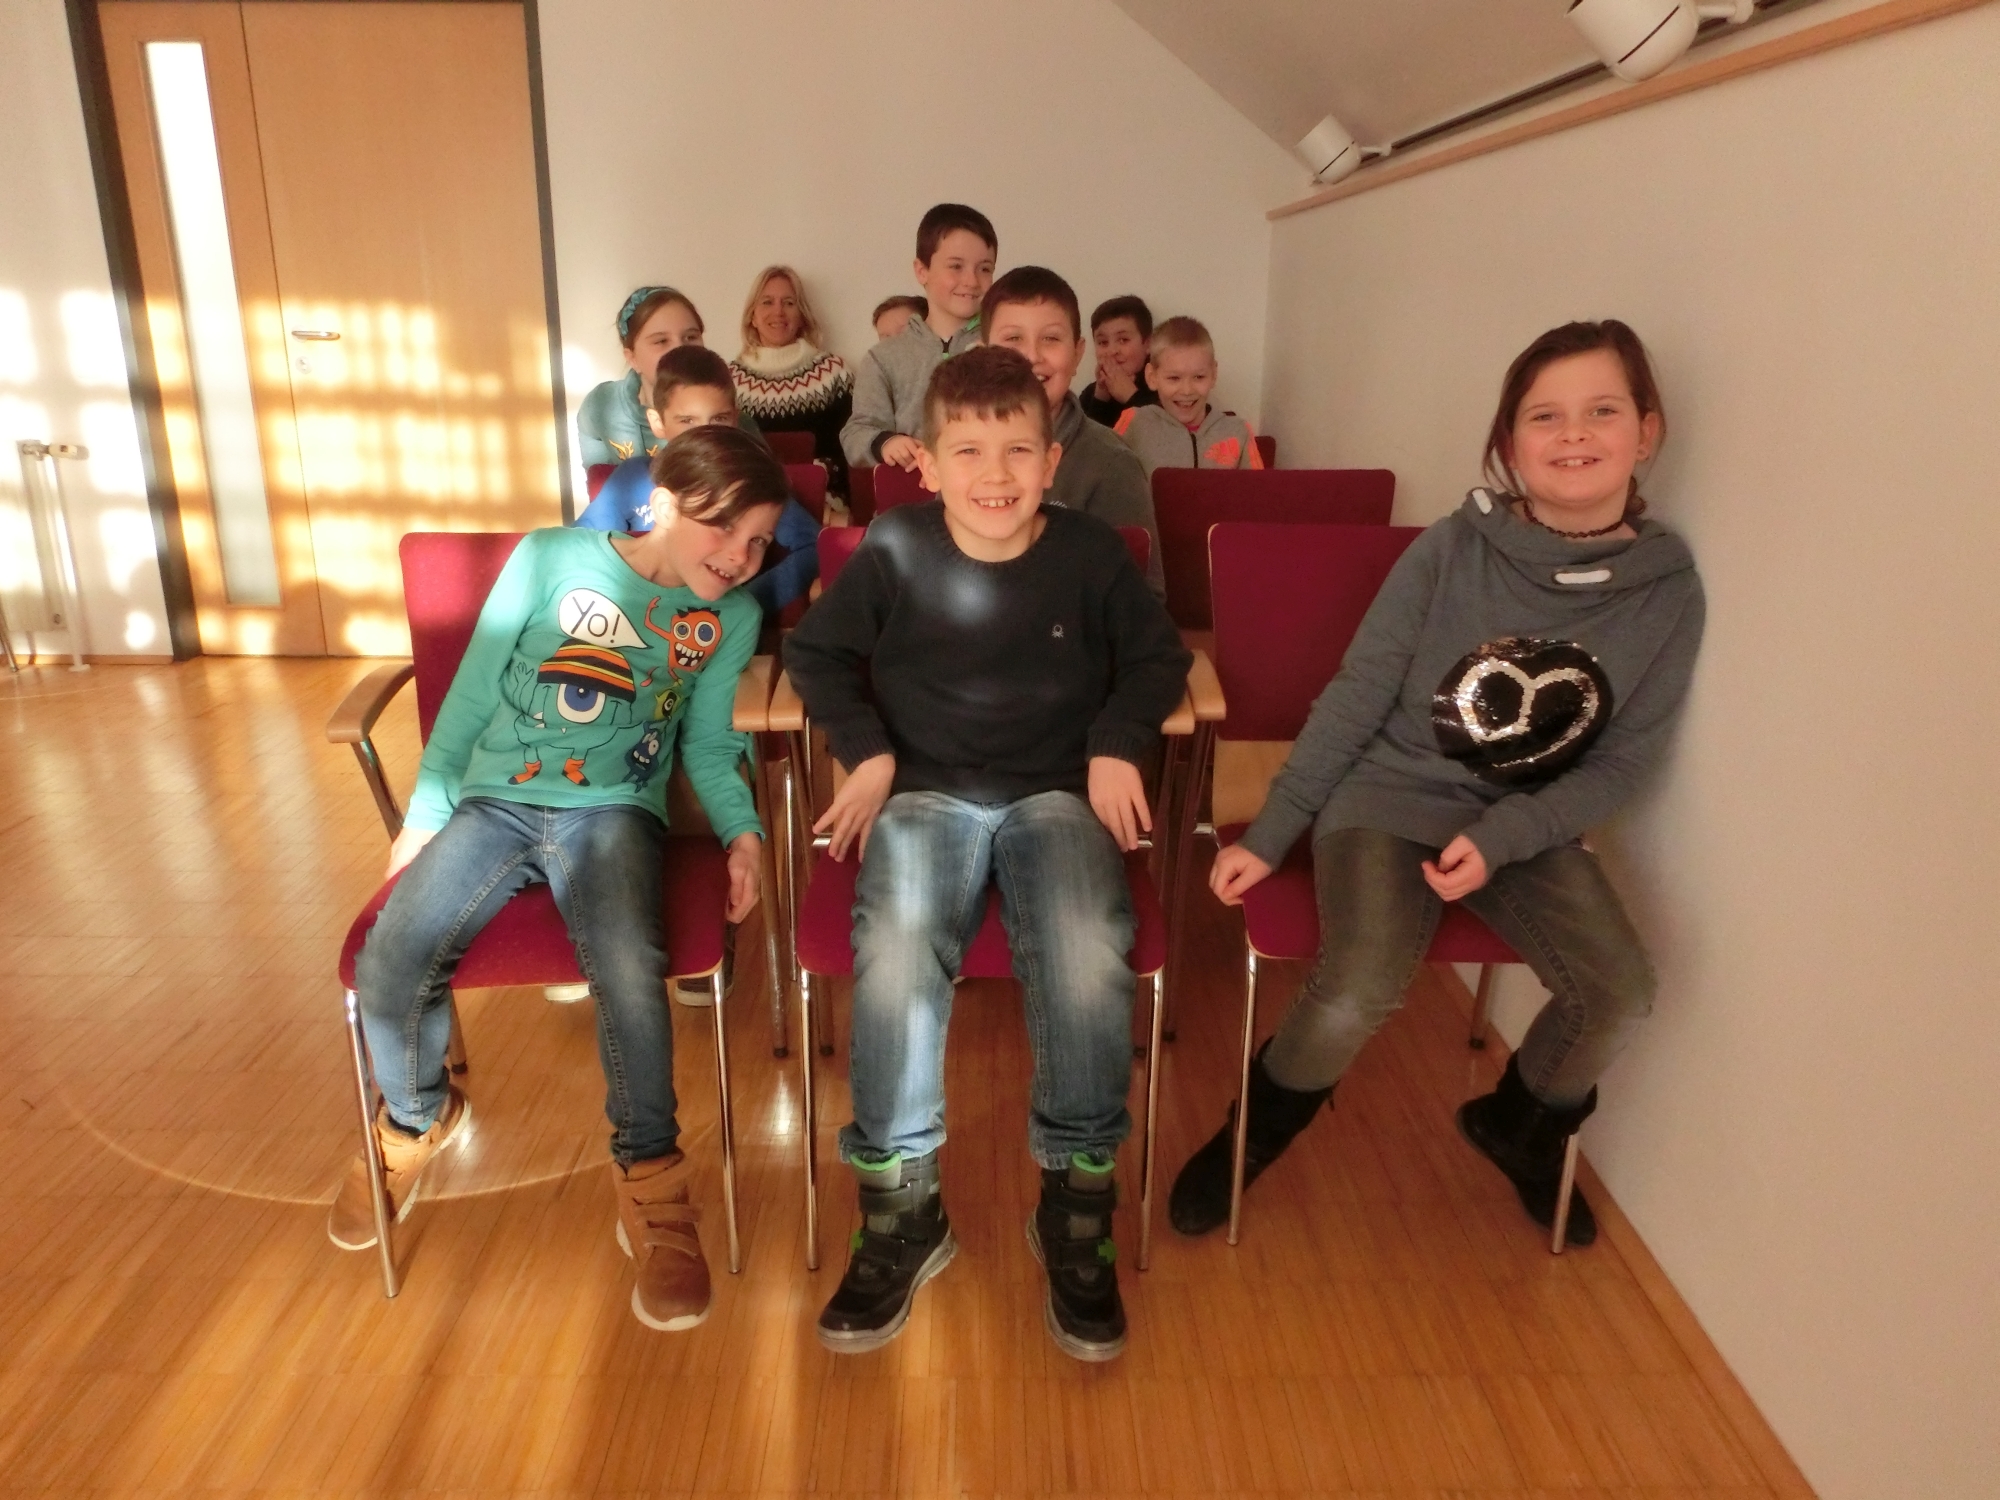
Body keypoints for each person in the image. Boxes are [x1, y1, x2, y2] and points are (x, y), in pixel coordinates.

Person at [1167, 320, 1706, 1250]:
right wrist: (1274, 829)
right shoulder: (1454, 549)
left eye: (1602, 411)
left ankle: (1521, 1126)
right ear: (1509, 442)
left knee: (1621, 990)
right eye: (1545, 416)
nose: (1574, 434)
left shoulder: (1666, 592)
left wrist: (1506, 837)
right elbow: (1358, 695)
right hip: (1386, 799)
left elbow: (1624, 761)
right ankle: (1250, 1137)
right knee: (1360, 985)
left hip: (1524, 822)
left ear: (1646, 432)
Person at [328, 425, 788, 1333]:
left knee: (628, 965)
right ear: (661, 503)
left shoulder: (729, 620)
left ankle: (651, 1181)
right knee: (390, 959)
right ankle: (416, 1121)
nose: (740, 557)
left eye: (759, 541)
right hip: (495, 802)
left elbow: (708, 746)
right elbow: (471, 696)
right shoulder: (550, 557)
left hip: (613, 812)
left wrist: (745, 834)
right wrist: (422, 818)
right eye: (723, 528)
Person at [786, 346, 1191, 1361]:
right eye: (967, 451)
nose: (995, 474)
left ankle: (1075, 1205)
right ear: (925, 463)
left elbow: (1159, 657)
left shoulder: (1089, 553)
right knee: (894, 948)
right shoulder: (895, 546)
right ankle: (901, 1210)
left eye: (1018, 450)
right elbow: (815, 653)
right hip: (926, 790)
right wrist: (868, 751)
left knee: (1085, 944)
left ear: (1052, 460)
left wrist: (1115, 743)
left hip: (1055, 791)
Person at [579, 345, 821, 619]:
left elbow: (813, 545)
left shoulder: (756, 486)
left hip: (714, 628)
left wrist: (741, 606)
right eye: (687, 420)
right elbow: (585, 544)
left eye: (719, 418)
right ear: (658, 422)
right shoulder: (633, 478)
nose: (706, 431)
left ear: (735, 419)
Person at [981, 267, 1164, 596]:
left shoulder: (1112, 464)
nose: (1032, 356)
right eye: (1013, 339)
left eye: (1050, 339)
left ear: (1078, 354)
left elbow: (1142, 600)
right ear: (984, 354)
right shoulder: (961, 453)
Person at [840, 203, 997, 473]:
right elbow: (856, 433)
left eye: (984, 268)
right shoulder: (883, 358)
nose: (972, 281)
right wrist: (885, 443)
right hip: (910, 491)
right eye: (956, 266)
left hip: (987, 486)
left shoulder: (1002, 346)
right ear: (922, 271)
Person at [576, 286, 762, 466]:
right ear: (632, 358)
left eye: (691, 337)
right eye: (661, 341)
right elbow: (597, 476)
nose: (680, 349)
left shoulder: (735, 424)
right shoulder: (602, 405)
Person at [729, 265, 852, 493]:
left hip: (824, 500)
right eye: (767, 302)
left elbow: (848, 453)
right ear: (752, 316)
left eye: (789, 303)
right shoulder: (729, 380)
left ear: (801, 315)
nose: (778, 312)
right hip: (750, 499)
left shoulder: (834, 373)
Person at [1114, 316, 1264, 476]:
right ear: (1152, 377)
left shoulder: (1238, 431)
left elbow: (1259, 488)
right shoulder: (1135, 423)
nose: (1186, 391)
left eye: (1199, 377)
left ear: (1213, 374)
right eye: (1174, 378)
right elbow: (1105, 479)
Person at [1078, 295, 1159, 428]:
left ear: (1148, 344)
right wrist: (1100, 398)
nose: (1112, 351)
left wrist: (1131, 396)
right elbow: (1083, 439)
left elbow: (1164, 434)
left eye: (1123, 340)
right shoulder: (1090, 395)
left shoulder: (1162, 388)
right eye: (1103, 342)